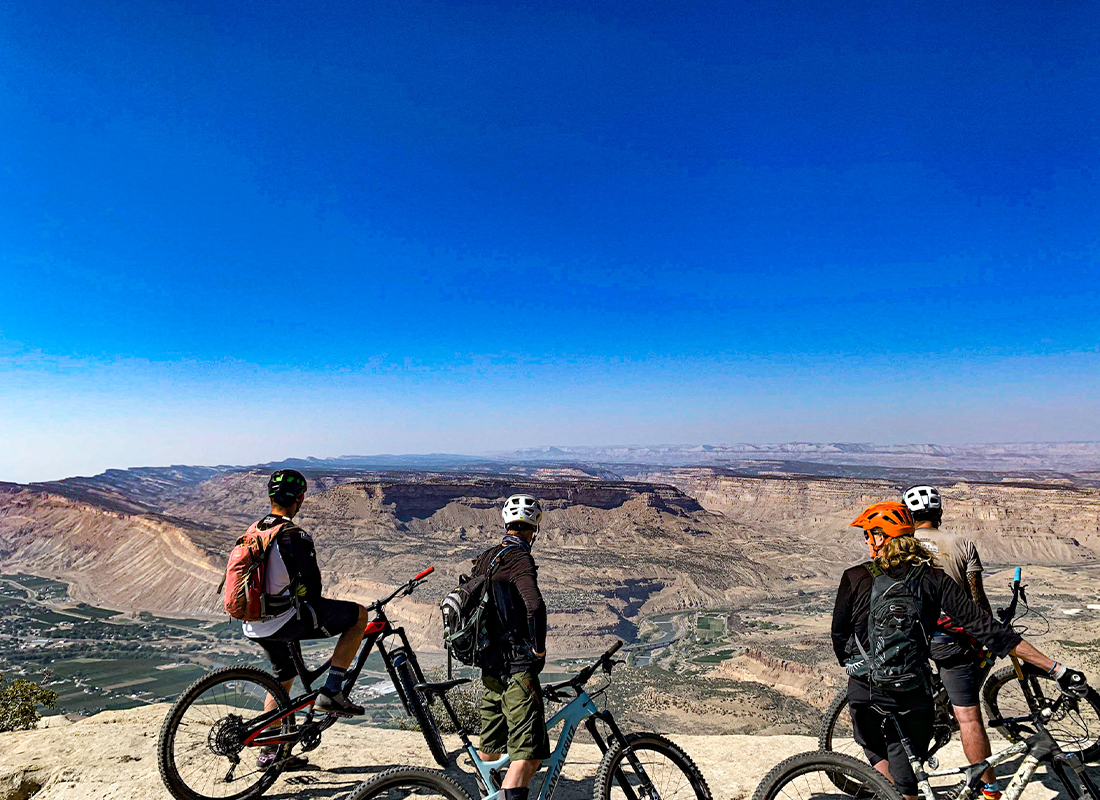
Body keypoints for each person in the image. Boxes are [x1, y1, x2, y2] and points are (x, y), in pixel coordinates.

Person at [832, 501, 1088, 800]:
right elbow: (988, 629)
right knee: (908, 783)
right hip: (913, 691)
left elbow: (840, 638)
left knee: (876, 752)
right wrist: (1056, 669)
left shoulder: (854, 576)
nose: (866, 541)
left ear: (880, 537)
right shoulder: (932, 578)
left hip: (866, 689)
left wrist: (861, 666)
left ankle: (886, 790)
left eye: (868, 535)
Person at [243, 470, 371, 767]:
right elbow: (313, 591)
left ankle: (271, 754)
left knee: (283, 680)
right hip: (282, 620)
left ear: (271, 497)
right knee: (358, 616)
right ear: (299, 499)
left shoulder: (255, 529)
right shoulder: (293, 536)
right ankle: (333, 691)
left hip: (256, 622)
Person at [903, 485, 999, 798]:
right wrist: (991, 632)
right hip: (949, 638)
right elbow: (976, 600)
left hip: (909, 635)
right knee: (969, 717)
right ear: (939, 513)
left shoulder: (899, 545)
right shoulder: (961, 544)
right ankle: (989, 787)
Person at [473, 494, 550, 800]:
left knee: (490, 752)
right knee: (528, 757)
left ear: (506, 523)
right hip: (517, 669)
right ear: (534, 528)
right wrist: (538, 650)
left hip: (492, 669)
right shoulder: (520, 558)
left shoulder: (487, 557)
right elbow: (535, 606)